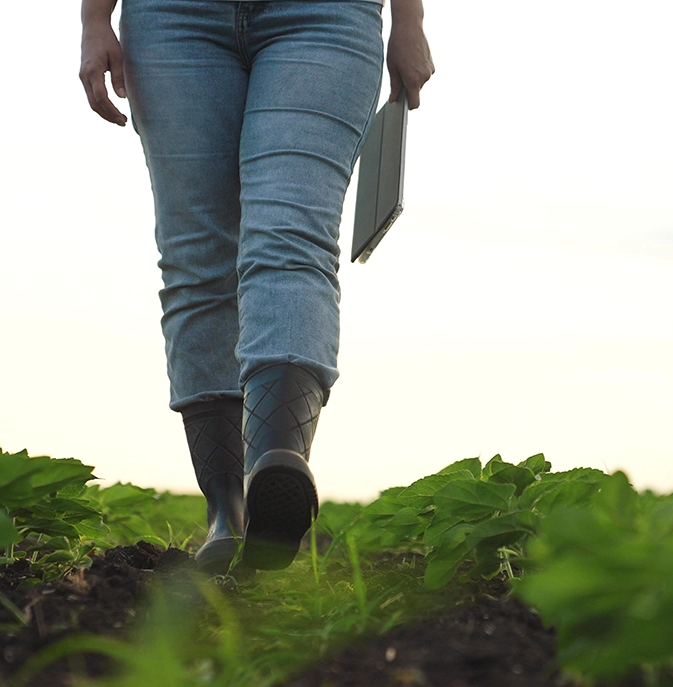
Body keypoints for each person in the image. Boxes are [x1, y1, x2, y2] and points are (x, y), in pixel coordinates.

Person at [79, 0, 433, 573]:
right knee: (197, 257)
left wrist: (410, 20)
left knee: (290, 233)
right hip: (173, 19)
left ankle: (277, 461)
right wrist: (94, 19)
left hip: (326, 17)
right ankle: (229, 513)